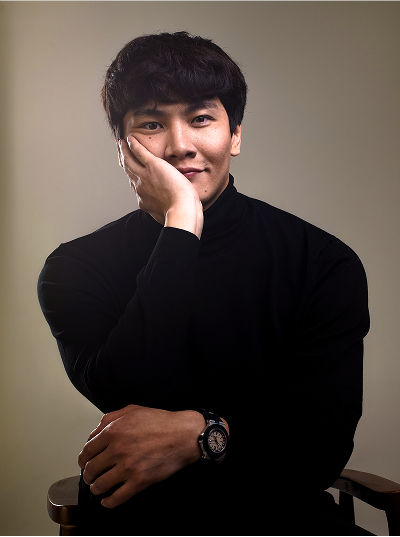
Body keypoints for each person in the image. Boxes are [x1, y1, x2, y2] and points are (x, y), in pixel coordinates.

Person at [38, 32, 373, 535]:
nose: (179, 146)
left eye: (200, 119)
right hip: (141, 519)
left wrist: (200, 432)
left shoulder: (323, 263)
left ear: (234, 134)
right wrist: (181, 222)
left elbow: (320, 448)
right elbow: (130, 388)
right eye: (152, 124)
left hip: (279, 509)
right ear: (123, 146)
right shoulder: (75, 267)